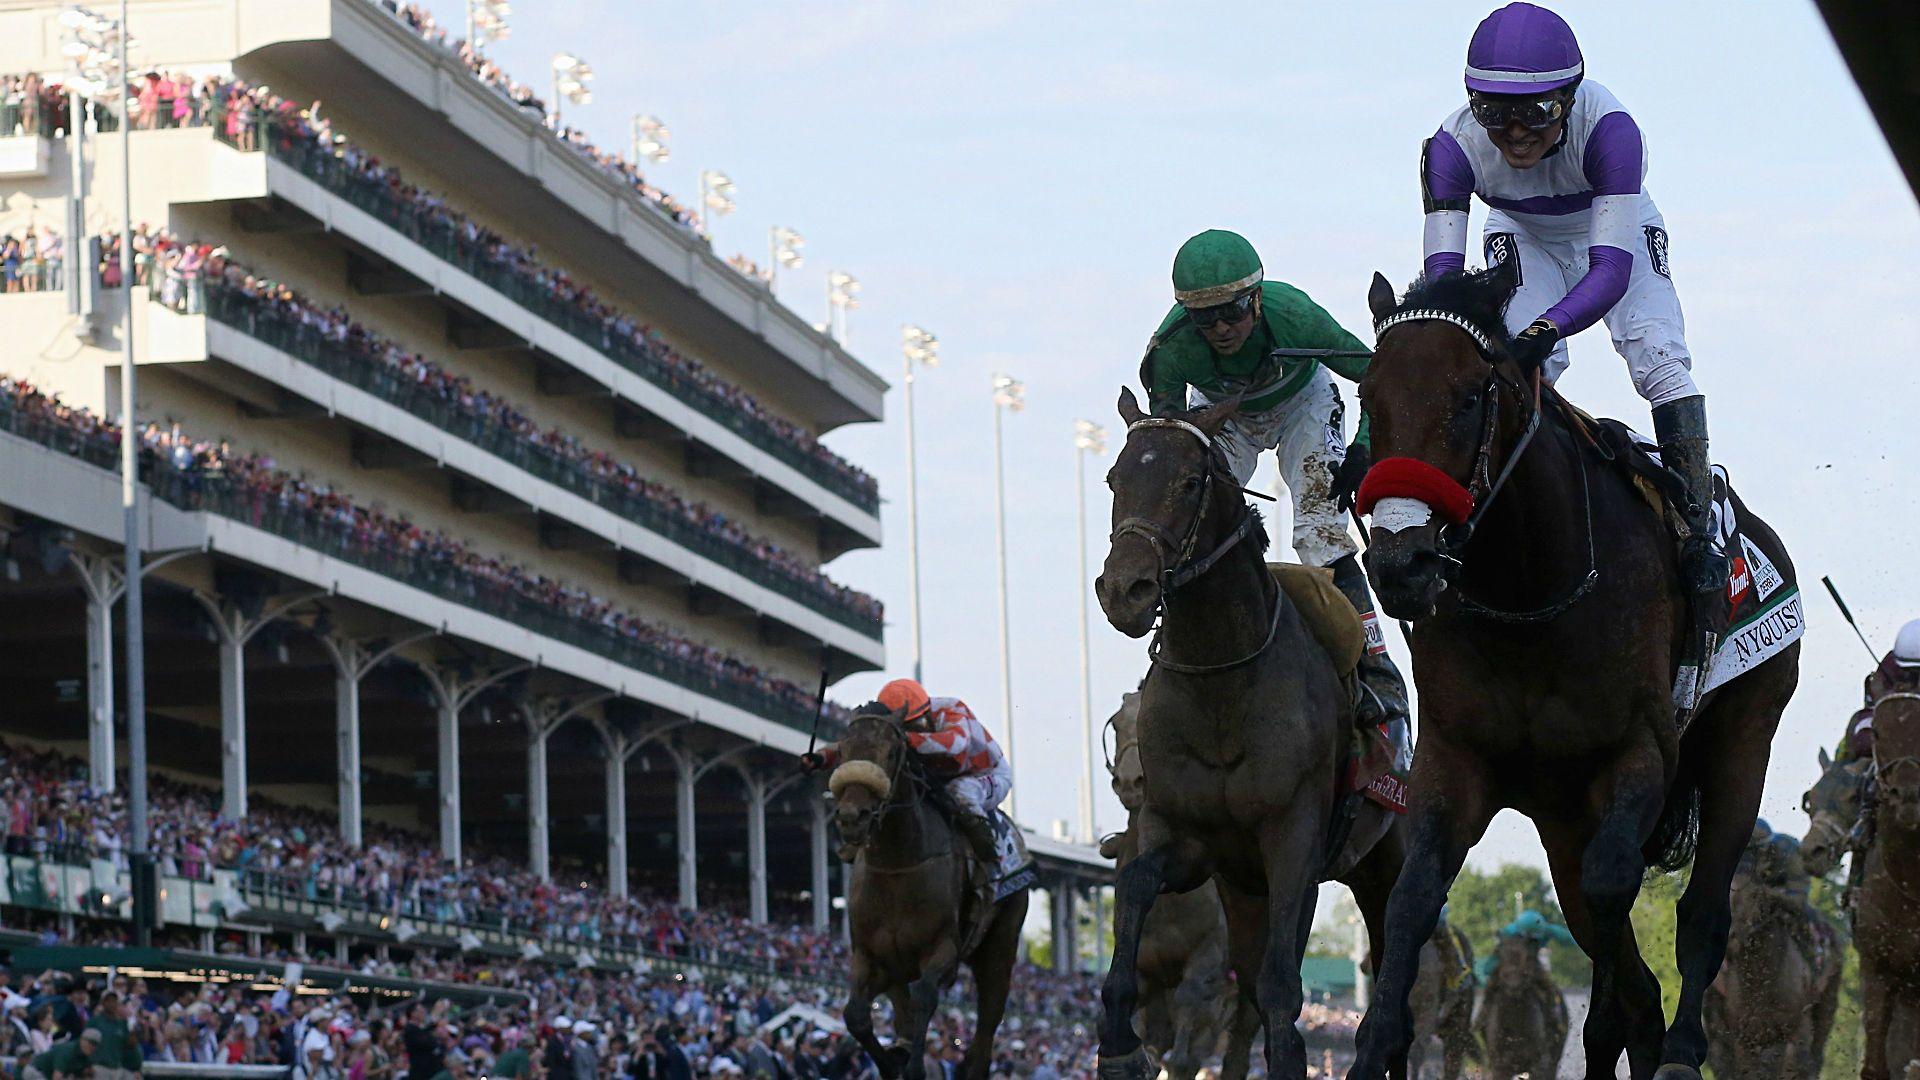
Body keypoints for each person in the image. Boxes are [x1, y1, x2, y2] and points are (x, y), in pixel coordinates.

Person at [1419, 2, 1726, 605]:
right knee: (1518, 368)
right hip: (1522, 233)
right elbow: (1444, 284)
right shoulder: (1451, 148)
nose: (1513, 133)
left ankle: (1697, 523)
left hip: (1611, 232)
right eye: (1493, 112)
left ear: (1570, 98)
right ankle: (1501, 509)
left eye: (1536, 111)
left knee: (1658, 357)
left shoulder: (1611, 130)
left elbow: (1611, 270)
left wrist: (1548, 325)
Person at [1140, 228, 1413, 791]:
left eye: (1233, 312)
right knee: (1192, 520)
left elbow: (1378, 374)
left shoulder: (1296, 316)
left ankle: (1378, 677)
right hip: (1222, 414)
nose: (1220, 330)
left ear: (1258, 298)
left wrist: (1362, 450)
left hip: (1301, 404)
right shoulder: (1168, 353)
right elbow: (1168, 447)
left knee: (1317, 531)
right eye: (1204, 320)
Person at [802, 678, 1010, 861]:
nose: (909, 730)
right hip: (938, 777)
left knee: (961, 791)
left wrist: (902, 738)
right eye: (904, 726)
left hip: (984, 774)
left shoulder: (952, 709)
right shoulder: (896, 729)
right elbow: (857, 747)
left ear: (926, 711)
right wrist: (821, 757)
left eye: (913, 724)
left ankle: (989, 854)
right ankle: (863, 841)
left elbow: (955, 744)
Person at [23, 1026, 98, 1080]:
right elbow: (57, 1077)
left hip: (48, 1074)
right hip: (35, 1071)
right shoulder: (68, 1050)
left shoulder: (85, 1056)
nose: (92, 1047)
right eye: (90, 1043)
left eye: (95, 1044)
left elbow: (88, 1075)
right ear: (82, 1040)